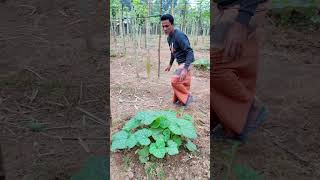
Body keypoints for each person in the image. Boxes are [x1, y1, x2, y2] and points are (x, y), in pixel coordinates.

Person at [211, 0, 271, 142]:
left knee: (216, 62)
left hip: (245, 6)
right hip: (225, 7)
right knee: (237, 58)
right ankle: (226, 120)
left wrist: (242, 21)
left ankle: (251, 111)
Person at [161, 14, 195, 108]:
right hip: (181, 63)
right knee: (184, 82)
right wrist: (170, 64)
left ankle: (188, 98)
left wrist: (185, 68)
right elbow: (173, 52)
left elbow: (190, 52)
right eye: (163, 26)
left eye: (167, 26)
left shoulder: (179, 35)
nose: (164, 28)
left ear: (172, 24)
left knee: (175, 80)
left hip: (185, 63)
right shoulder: (169, 38)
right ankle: (181, 101)